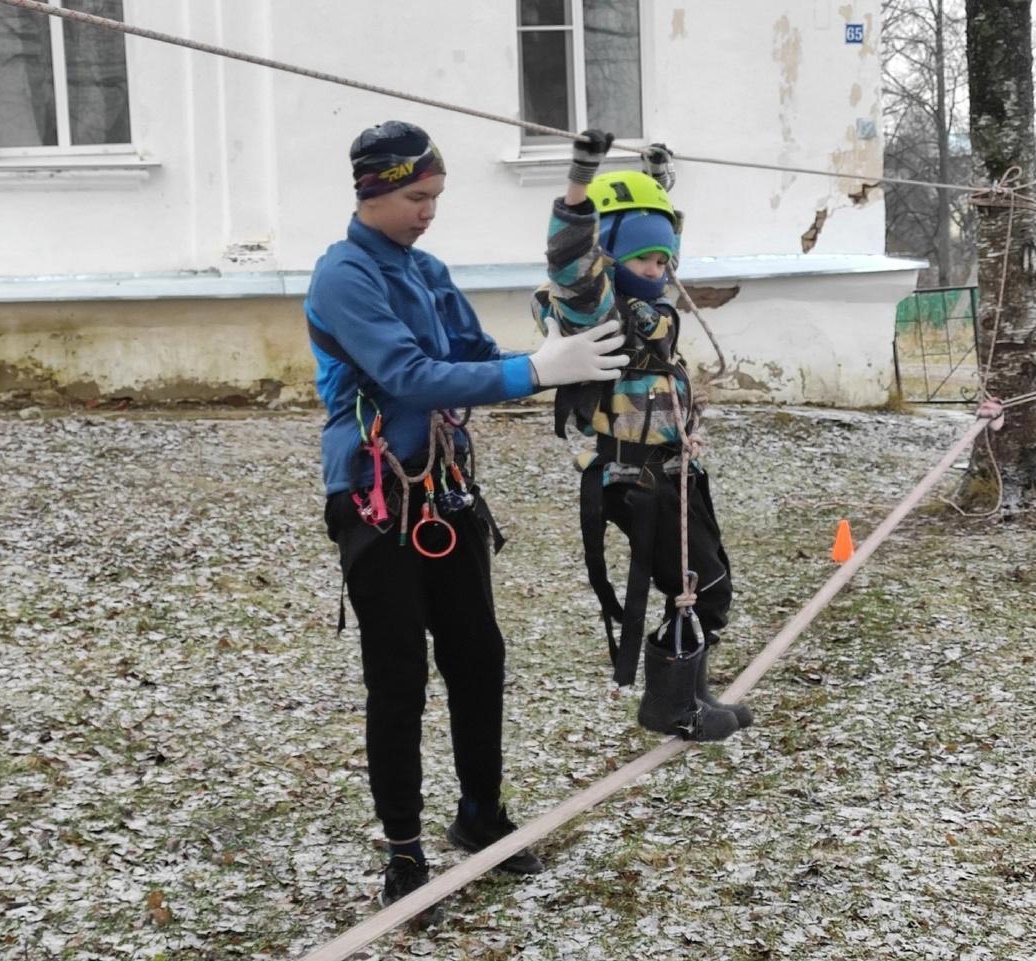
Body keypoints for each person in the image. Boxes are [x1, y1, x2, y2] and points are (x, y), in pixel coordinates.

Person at [304, 120, 627, 919]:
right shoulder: (342, 276)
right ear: (372, 192)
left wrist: (549, 353)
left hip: (444, 492)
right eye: (417, 197)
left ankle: (480, 813)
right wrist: (531, 370)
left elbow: (473, 354)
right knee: (399, 676)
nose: (429, 212)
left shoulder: (429, 269)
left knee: (478, 654)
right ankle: (405, 852)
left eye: (436, 196)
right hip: (376, 499)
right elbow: (407, 374)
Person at [531, 129, 753, 741]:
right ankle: (668, 706)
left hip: (675, 468)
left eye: (664, 261)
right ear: (610, 256)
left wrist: (656, 187)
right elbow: (572, 259)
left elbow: (655, 235)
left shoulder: (645, 305)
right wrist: (580, 187)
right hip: (635, 476)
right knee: (696, 585)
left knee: (709, 583)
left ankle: (692, 689)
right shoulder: (594, 308)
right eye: (644, 260)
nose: (657, 271)